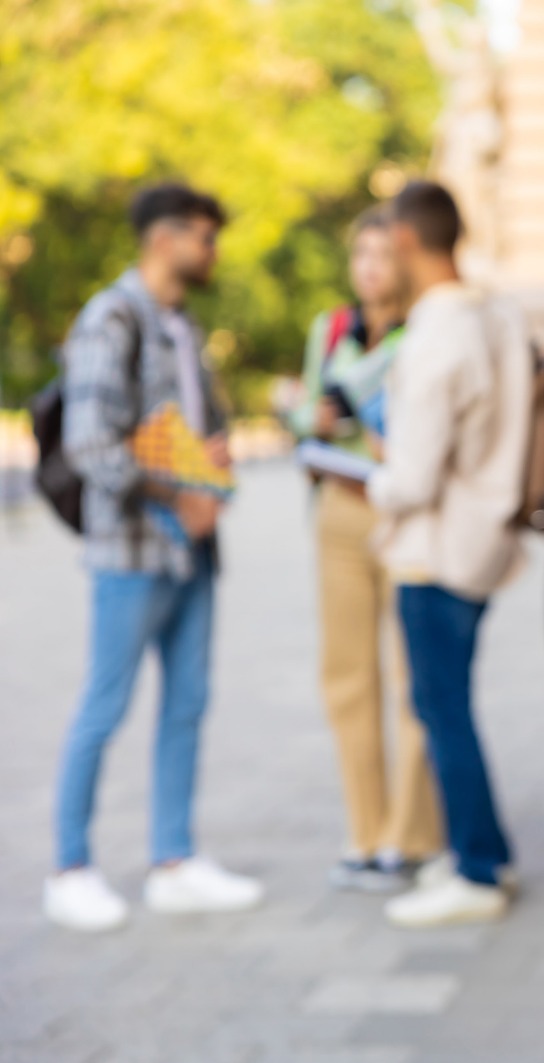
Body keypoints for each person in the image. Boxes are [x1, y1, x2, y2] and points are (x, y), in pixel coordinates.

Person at [46, 182, 265, 932]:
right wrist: (178, 493)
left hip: (194, 549)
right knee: (104, 706)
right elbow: (89, 446)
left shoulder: (182, 325)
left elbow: (191, 427)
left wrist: (213, 463)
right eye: (205, 237)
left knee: (188, 703)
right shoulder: (111, 318)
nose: (213, 252)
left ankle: (175, 861)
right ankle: (70, 869)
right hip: (133, 551)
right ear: (165, 238)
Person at [336, 180, 531, 927]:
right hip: (485, 539)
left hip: (436, 550)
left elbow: (412, 479)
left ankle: (476, 872)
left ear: (408, 241)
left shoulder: (438, 332)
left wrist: (365, 476)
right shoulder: (495, 315)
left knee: (441, 710)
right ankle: (488, 854)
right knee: (450, 706)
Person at [288, 206, 443, 892]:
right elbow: (303, 409)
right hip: (338, 512)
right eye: (362, 255)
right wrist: (311, 417)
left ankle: (411, 838)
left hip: (402, 512)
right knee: (346, 676)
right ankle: (366, 832)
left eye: (384, 254)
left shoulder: (426, 331)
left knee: (413, 677)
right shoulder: (332, 329)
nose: (371, 268)